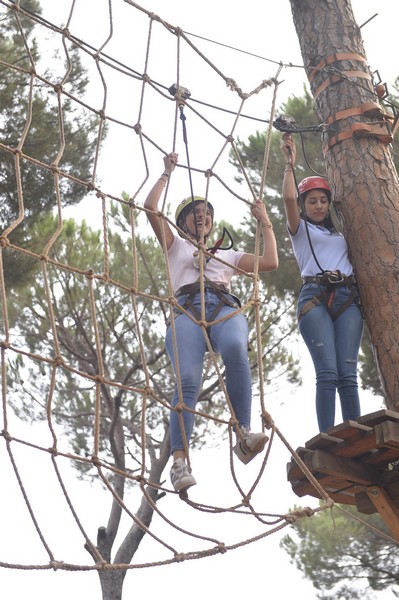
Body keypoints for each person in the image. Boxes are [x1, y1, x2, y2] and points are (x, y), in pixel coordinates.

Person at [144, 151, 278, 492]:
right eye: (194, 214)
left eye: (206, 214)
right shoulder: (175, 247)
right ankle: (179, 461)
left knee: (235, 348)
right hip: (186, 311)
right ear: (183, 222)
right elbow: (149, 208)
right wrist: (166, 173)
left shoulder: (227, 255)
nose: (202, 218)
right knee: (187, 380)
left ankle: (243, 433)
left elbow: (271, 262)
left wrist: (265, 222)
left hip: (222, 307)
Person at [280, 133, 363, 434]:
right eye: (312, 201)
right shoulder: (299, 229)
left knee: (348, 375)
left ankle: (354, 433)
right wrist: (290, 165)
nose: (318, 205)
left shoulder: (339, 237)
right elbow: (288, 198)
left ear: (329, 205)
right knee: (327, 373)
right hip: (314, 295)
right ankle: (328, 436)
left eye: (323, 201)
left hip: (346, 297)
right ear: (304, 206)